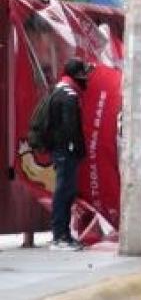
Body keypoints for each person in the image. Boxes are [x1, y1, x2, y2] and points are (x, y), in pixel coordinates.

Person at [48, 58, 92, 251]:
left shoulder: (62, 90)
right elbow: (70, 128)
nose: (87, 79)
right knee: (64, 193)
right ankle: (60, 236)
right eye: (84, 74)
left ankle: (62, 234)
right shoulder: (68, 95)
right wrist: (77, 148)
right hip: (65, 151)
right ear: (77, 75)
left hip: (62, 150)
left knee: (65, 192)